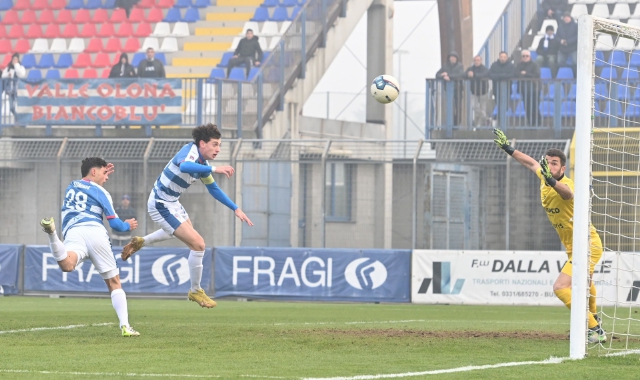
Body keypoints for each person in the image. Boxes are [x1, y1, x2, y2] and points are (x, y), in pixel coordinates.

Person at [120, 124, 254, 308]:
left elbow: (213, 189)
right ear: (202, 144)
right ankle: (195, 290)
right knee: (198, 244)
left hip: (173, 203)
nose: (218, 149)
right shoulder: (189, 151)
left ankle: (141, 242)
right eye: (214, 144)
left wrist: (235, 208)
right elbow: (184, 165)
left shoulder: (203, 165)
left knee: (176, 231)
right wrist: (215, 169)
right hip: (160, 203)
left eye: (219, 145)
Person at [493, 128, 606, 344]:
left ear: (562, 168)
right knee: (587, 282)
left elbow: (567, 193)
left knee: (560, 287)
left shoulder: (566, 184)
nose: (548, 165)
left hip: (588, 244)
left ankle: (594, 328)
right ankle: (594, 321)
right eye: (547, 162)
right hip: (575, 246)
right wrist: (509, 149)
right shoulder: (543, 175)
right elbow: (530, 163)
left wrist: (551, 181)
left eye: (554, 163)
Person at [39, 157, 140, 337]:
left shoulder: (71, 186)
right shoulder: (101, 192)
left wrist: (101, 172)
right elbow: (115, 225)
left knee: (67, 265)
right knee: (114, 283)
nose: (107, 177)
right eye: (104, 173)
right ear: (94, 172)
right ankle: (125, 326)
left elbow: (88, 183)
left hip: (74, 232)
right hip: (95, 232)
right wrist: (127, 225)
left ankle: (52, 234)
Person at [435, 52, 465, 125]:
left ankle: (457, 123)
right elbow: (437, 75)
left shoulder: (460, 66)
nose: (453, 59)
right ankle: (450, 122)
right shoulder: (445, 66)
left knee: (458, 107)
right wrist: (443, 76)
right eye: (451, 57)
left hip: (458, 89)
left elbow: (460, 75)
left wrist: (449, 76)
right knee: (449, 106)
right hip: (448, 90)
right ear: (449, 58)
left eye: (454, 57)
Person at [515, 50, 541, 126]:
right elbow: (516, 74)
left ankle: (537, 122)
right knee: (527, 107)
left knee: (535, 106)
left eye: (527, 56)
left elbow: (537, 75)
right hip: (524, 89)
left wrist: (526, 73)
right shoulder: (519, 65)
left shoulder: (535, 64)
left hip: (534, 89)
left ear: (530, 57)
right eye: (523, 56)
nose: (525, 57)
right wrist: (528, 74)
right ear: (521, 57)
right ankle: (530, 122)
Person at [488, 51, 515, 121]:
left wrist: (499, 76)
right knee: (499, 104)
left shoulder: (511, 66)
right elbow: (490, 74)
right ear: (499, 57)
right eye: (501, 57)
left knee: (505, 105)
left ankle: (500, 118)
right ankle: (500, 120)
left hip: (507, 88)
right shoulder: (494, 65)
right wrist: (503, 76)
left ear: (507, 58)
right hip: (496, 89)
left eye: (504, 57)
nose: (502, 58)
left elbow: (512, 75)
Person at [465, 55, 490, 127]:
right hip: (474, 92)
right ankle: (486, 118)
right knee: (474, 107)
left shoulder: (484, 68)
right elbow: (464, 74)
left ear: (481, 61)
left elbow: (484, 74)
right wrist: (468, 74)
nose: (476, 62)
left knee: (483, 108)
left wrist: (474, 75)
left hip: (483, 92)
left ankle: (479, 125)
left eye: (478, 60)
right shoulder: (470, 68)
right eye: (475, 60)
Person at [2, 53, 26, 118]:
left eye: (16, 59)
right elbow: (3, 75)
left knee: (19, 108)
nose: (14, 60)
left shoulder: (21, 67)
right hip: (10, 91)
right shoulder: (8, 68)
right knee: (11, 108)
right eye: (13, 59)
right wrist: (8, 74)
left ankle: (20, 121)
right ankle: (18, 118)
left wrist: (16, 65)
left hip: (18, 91)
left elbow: (21, 74)